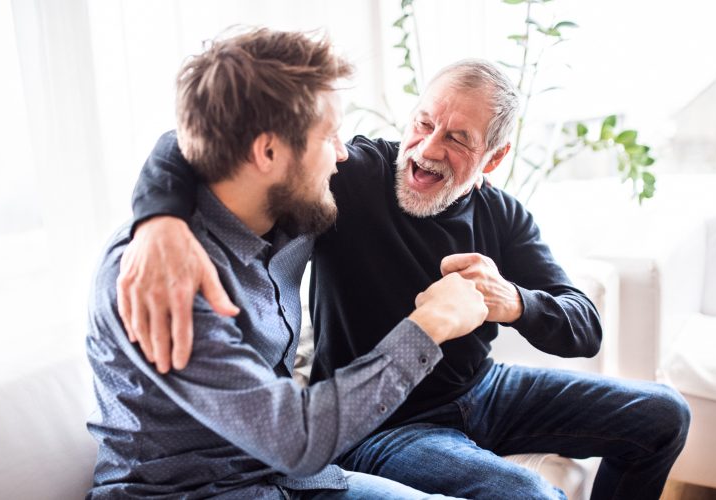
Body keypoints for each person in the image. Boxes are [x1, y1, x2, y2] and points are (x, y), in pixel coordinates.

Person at [121, 56, 691, 499]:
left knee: (665, 416)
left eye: (458, 139)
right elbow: (188, 140)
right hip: (382, 422)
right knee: (524, 493)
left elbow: (584, 328)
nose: (427, 149)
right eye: (424, 123)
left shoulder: (503, 215)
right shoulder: (354, 174)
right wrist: (158, 222)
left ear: (492, 160)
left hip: (480, 392)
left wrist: (511, 301)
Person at [86, 27, 491, 499]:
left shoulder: (286, 213)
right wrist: (431, 324)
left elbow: (181, 139)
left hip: (288, 481)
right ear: (268, 151)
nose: (343, 154)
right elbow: (296, 441)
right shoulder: (167, 274)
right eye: (330, 136)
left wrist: (158, 212)